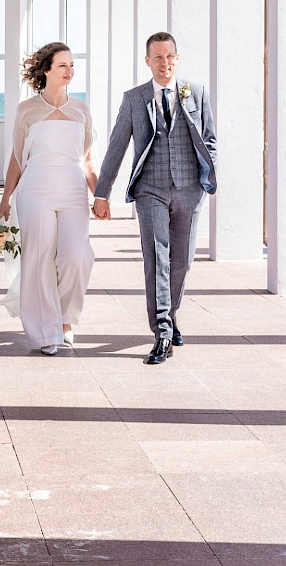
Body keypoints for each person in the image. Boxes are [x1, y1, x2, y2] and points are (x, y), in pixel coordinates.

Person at [92, 31, 217, 365]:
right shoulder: (134, 99)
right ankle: (162, 332)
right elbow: (117, 146)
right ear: (148, 61)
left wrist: (207, 176)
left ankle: (171, 314)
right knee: (157, 260)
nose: (165, 63)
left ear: (177, 58)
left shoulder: (197, 93)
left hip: (190, 189)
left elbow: (210, 139)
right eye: (158, 57)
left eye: (170, 57)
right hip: (150, 189)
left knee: (184, 261)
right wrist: (101, 193)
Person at [0, 42, 99, 356]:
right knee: (38, 259)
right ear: (46, 70)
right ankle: (46, 333)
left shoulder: (81, 110)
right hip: (35, 190)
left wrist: (101, 194)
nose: (69, 71)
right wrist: (5, 199)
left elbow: (89, 159)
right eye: (62, 66)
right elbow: (17, 159)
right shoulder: (26, 110)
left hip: (73, 190)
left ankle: (66, 320)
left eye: (71, 65)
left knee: (76, 256)